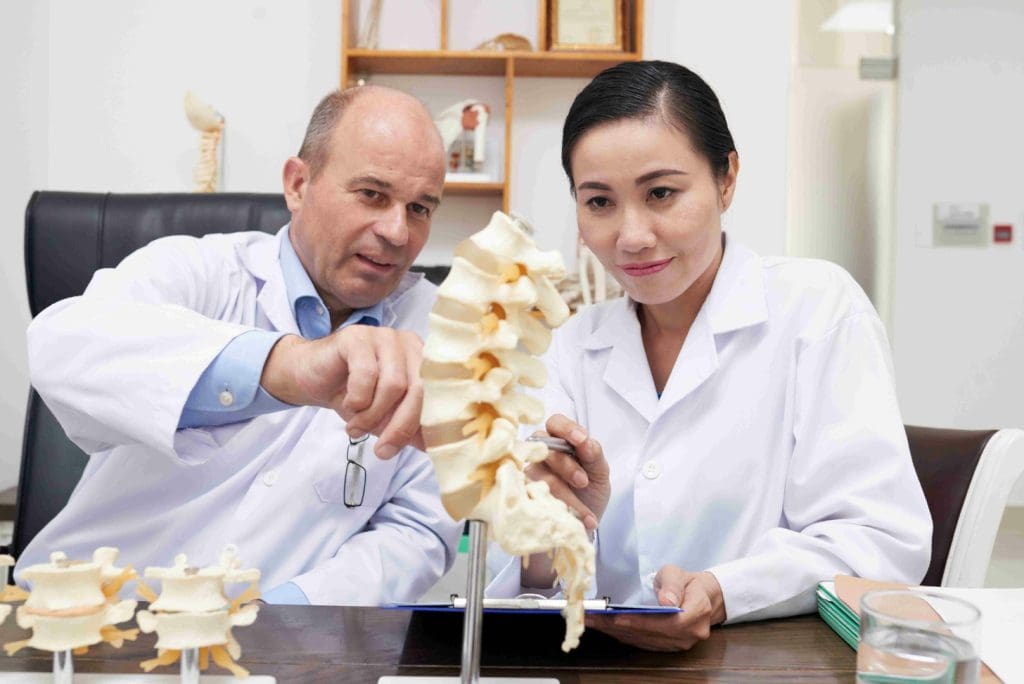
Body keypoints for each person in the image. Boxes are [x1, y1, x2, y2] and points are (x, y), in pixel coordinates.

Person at [489, 61, 932, 651]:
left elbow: (880, 538)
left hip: (774, 660)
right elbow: (529, 575)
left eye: (662, 193)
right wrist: (556, 529)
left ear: (726, 179)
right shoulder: (570, 347)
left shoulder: (818, 309)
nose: (632, 235)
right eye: (599, 202)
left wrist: (727, 590)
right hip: (602, 664)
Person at [19, 85, 462, 606]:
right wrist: (286, 368)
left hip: (284, 643)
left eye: (420, 208)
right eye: (372, 194)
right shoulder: (199, 271)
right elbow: (62, 344)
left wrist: (274, 622)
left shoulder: (444, 338)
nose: (396, 231)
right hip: (88, 620)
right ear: (298, 184)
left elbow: (416, 531)